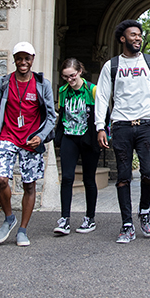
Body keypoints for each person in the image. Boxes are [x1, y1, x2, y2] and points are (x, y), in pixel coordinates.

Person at [94, 19, 150, 244]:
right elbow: (102, 97)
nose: (137, 38)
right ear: (123, 39)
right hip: (121, 125)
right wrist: (100, 127)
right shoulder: (112, 65)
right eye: (133, 35)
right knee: (123, 177)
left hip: (146, 123)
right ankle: (127, 224)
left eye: (139, 35)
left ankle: (144, 210)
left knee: (148, 173)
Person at [0, 42, 56, 246]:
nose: (23, 62)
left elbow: (51, 116)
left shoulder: (42, 84)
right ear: (14, 59)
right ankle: (9, 218)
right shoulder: (3, 83)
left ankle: (22, 230)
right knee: (1, 180)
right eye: (19, 58)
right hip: (7, 137)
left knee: (29, 185)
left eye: (27, 58)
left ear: (32, 59)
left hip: (30, 141)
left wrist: (40, 136)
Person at [53, 58, 101, 236]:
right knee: (67, 177)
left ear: (80, 71)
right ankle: (64, 218)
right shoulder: (63, 91)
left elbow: (104, 113)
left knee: (89, 179)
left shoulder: (92, 90)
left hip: (88, 138)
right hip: (69, 137)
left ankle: (90, 217)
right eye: (66, 77)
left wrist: (103, 135)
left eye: (72, 76)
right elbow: (62, 114)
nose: (69, 80)